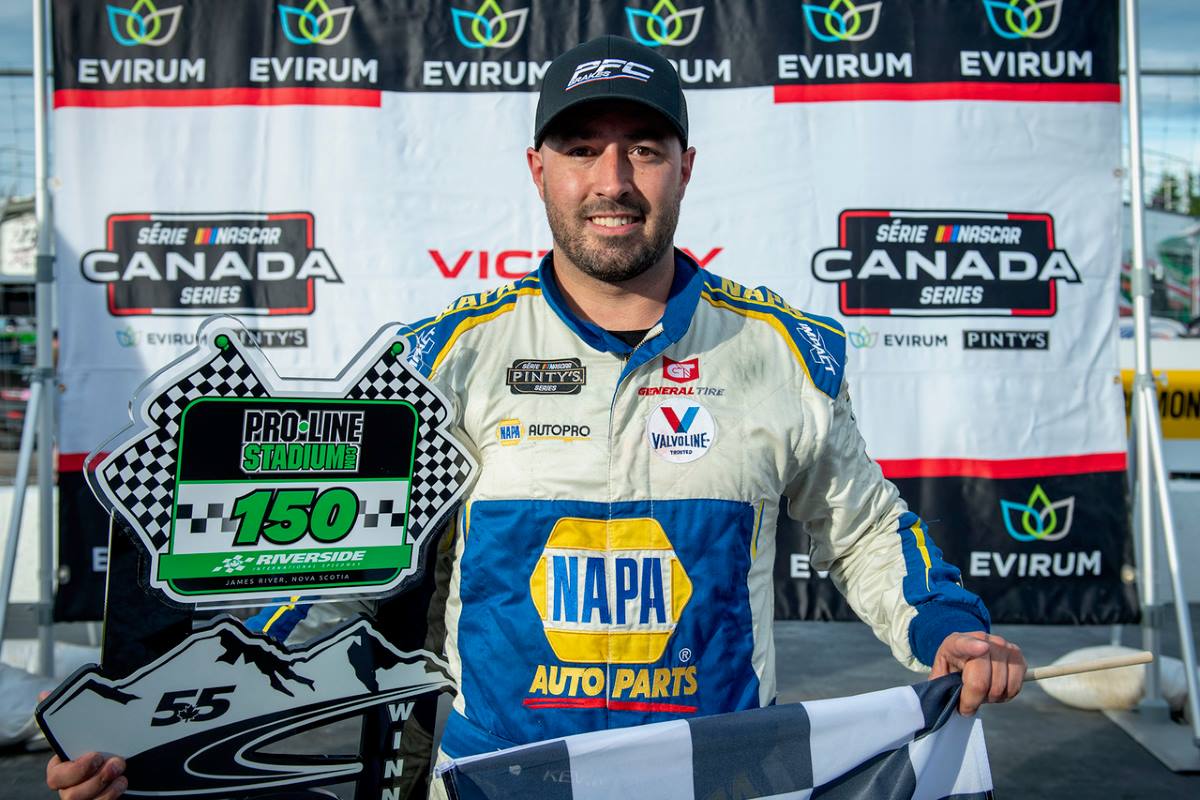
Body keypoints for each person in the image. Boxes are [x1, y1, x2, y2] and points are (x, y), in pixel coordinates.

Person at [46, 34, 1024, 800]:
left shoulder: (781, 354)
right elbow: (320, 581)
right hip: (492, 779)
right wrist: (146, 723)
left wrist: (949, 629)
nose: (614, 180)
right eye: (582, 148)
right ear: (537, 166)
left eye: (644, 148)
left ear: (686, 165)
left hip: (712, 770)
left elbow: (866, 530)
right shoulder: (447, 355)